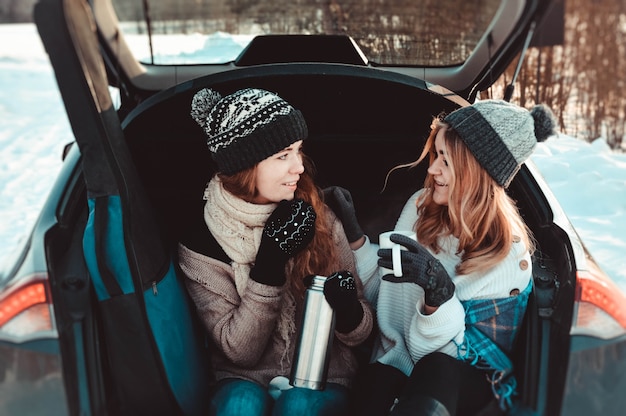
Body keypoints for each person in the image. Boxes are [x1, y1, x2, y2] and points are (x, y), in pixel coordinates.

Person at [323, 99, 557, 415]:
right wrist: (355, 238)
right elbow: (385, 296)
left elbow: (442, 358)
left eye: (445, 160)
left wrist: (438, 298)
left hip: (462, 375)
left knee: (433, 372)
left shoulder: (506, 255)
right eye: (436, 155)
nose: (432, 169)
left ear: (475, 172)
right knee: (373, 385)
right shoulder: (421, 207)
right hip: (399, 357)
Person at [177, 87, 374, 416]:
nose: (298, 166)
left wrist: (349, 309)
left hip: (324, 377)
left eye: (298, 151)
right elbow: (239, 351)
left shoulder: (318, 218)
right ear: (246, 165)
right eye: (283, 155)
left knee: (299, 405)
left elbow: (362, 334)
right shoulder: (202, 245)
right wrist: (269, 264)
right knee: (240, 405)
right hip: (244, 377)